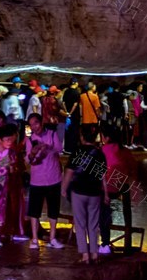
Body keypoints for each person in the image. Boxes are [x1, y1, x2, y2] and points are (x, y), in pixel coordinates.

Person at [62, 125, 108, 265]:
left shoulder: (77, 152)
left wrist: (63, 188)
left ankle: (85, 256)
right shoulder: (99, 153)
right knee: (93, 224)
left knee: (80, 224)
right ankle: (94, 254)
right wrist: (105, 193)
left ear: (82, 137)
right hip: (95, 192)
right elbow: (103, 176)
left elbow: (69, 172)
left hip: (79, 191)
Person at [24, 113, 65, 249]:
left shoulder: (52, 135)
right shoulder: (30, 140)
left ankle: (52, 237)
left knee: (53, 210)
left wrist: (48, 147)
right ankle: (34, 239)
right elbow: (28, 160)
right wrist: (33, 154)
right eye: (31, 124)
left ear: (41, 122)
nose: (34, 127)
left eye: (36, 123)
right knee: (34, 210)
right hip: (37, 179)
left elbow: (59, 149)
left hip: (53, 178)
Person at [100, 122, 138, 253]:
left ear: (107, 138)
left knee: (103, 210)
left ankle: (105, 242)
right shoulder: (125, 151)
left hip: (107, 188)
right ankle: (128, 235)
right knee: (126, 206)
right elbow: (133, 171)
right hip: (122, 186)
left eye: (103, 137)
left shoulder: (102, 151)